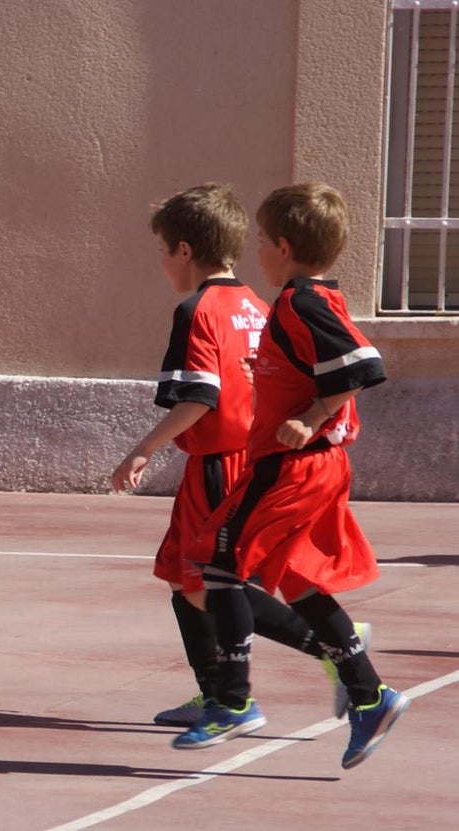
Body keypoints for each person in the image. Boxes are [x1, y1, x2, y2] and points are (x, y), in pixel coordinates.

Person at [172, 182, 408, 769]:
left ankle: (230, 701)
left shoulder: (301, 299)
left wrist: (308, 416)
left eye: (260, 240)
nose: (256, 250)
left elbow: (362, 365)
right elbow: (319, 363)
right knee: (297, 578)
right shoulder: (303, 303)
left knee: (217, 566)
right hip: (307, 467)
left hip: (294, 468)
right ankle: (369, 696)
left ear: (283, 245)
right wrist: (272, 368)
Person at [111, 183, 362, 728]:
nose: (161, 262)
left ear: (183, 251)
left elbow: (201, 397)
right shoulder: (255, 304)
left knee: (214, 582)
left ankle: (332, 654)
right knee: (184, 581)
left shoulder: (197, 309)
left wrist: (142, 449)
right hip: (239, 457)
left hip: (219, 462)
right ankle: (217, 692)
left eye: (161, 250)